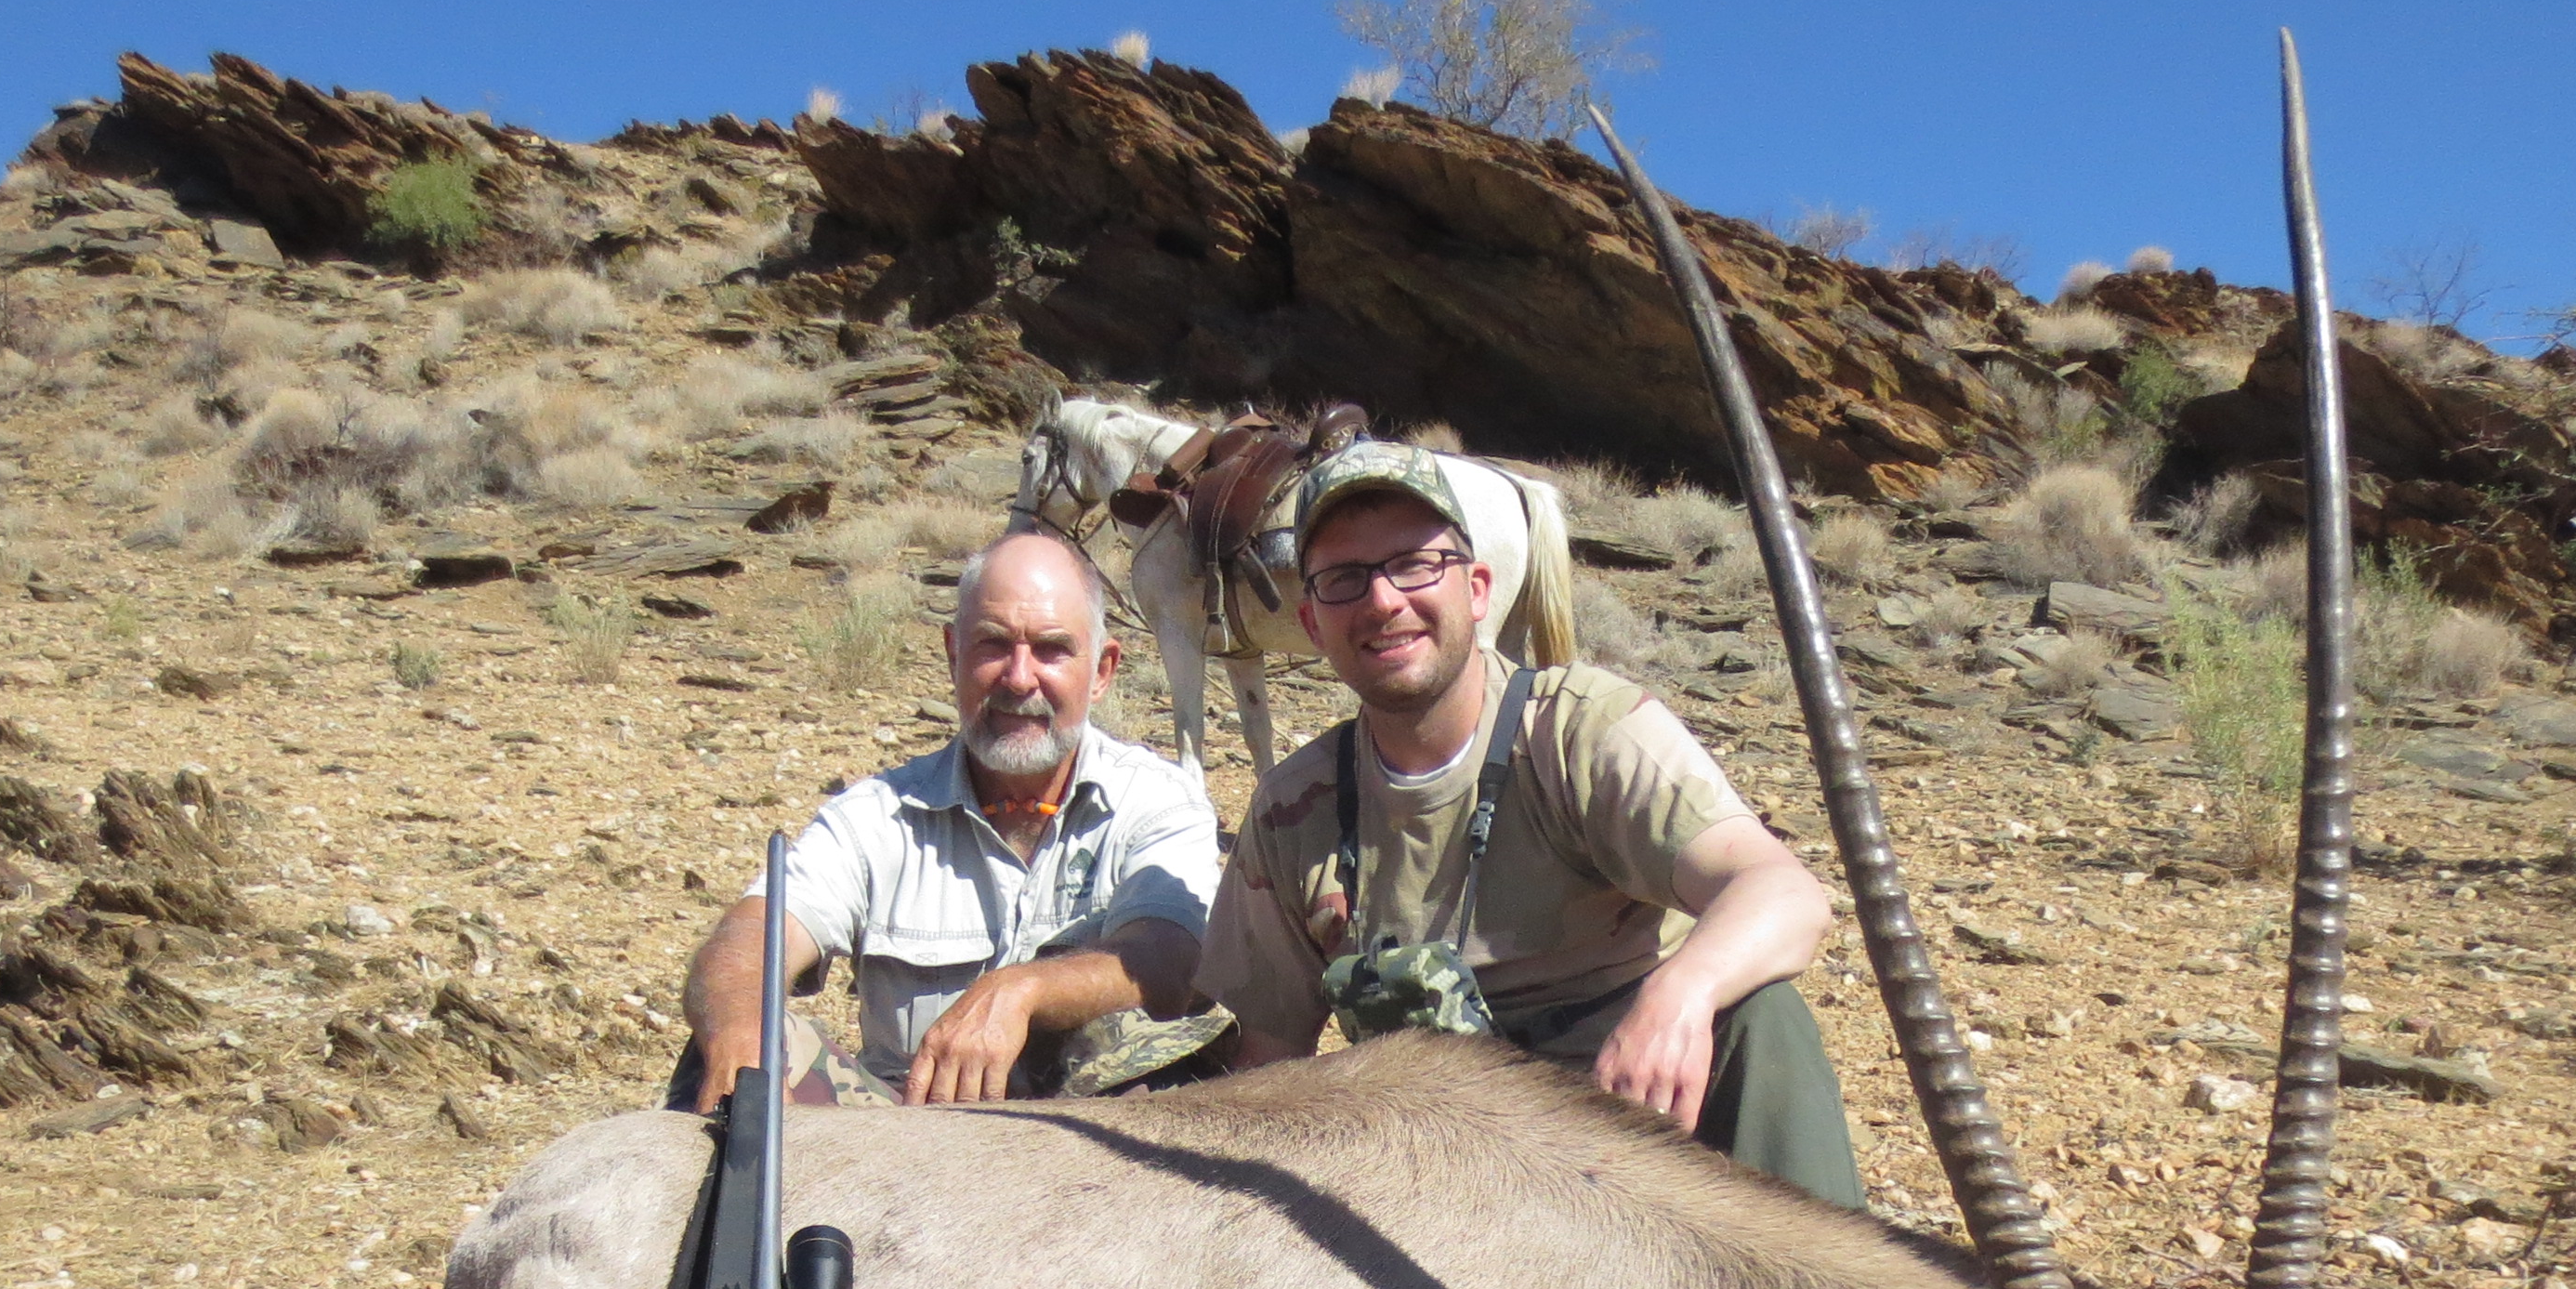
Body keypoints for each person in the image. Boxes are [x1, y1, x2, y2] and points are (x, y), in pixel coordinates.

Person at [1195, 441, 1864, 1205]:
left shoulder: (1583, 728)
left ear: (1478, 589)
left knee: (1763, 1019)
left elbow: (1784, 893)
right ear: (1313, 624)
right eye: (1345, 579)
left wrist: (1681, 994)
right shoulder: (1293, 808)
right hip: (1444, 1166)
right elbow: (1271, 1057)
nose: (1383, 602)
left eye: (1415, 565)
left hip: (1639, 1126)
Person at [677, 530, 1222, 1109]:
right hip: (910, 1138)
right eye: (992, 645)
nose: (1019, 677)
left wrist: (1021, 991)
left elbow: (1169, 955)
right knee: (743, 1044)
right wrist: (740, 1029)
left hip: (1094, 1139)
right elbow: (750, 941)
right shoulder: (874, 817)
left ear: (1103, 669)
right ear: (952, 653)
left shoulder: (1158, 799)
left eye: (1051, 649)